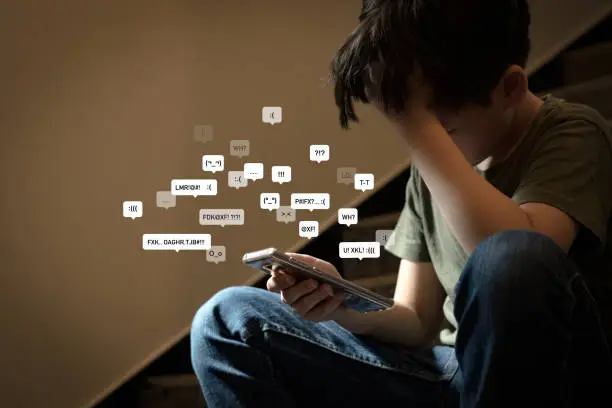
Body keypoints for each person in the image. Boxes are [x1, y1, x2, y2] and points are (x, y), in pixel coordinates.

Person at [190, 0, 612, 406]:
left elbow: (520, 257)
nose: (426, 146)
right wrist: (342, 305)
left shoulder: (573, 132)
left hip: (554, 374)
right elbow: (415, 320)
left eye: (440, 130)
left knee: (512, 255)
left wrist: (417, 125)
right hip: (454, 371)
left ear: (510, 88)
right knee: (226, 318)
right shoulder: (430, 169)